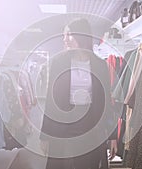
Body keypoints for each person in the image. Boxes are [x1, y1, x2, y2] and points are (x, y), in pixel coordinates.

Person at [40, 18, 118, 169]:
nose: (64, 39)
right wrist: (45, 136)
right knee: (63, 163)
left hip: (91, 124)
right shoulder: (59, 63)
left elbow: (106, 103)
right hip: (64, 122)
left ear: (80, 36)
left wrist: (113, 136)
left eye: (68, 34)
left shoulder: (100, 65)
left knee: (89, 163)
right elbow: (51, 101)